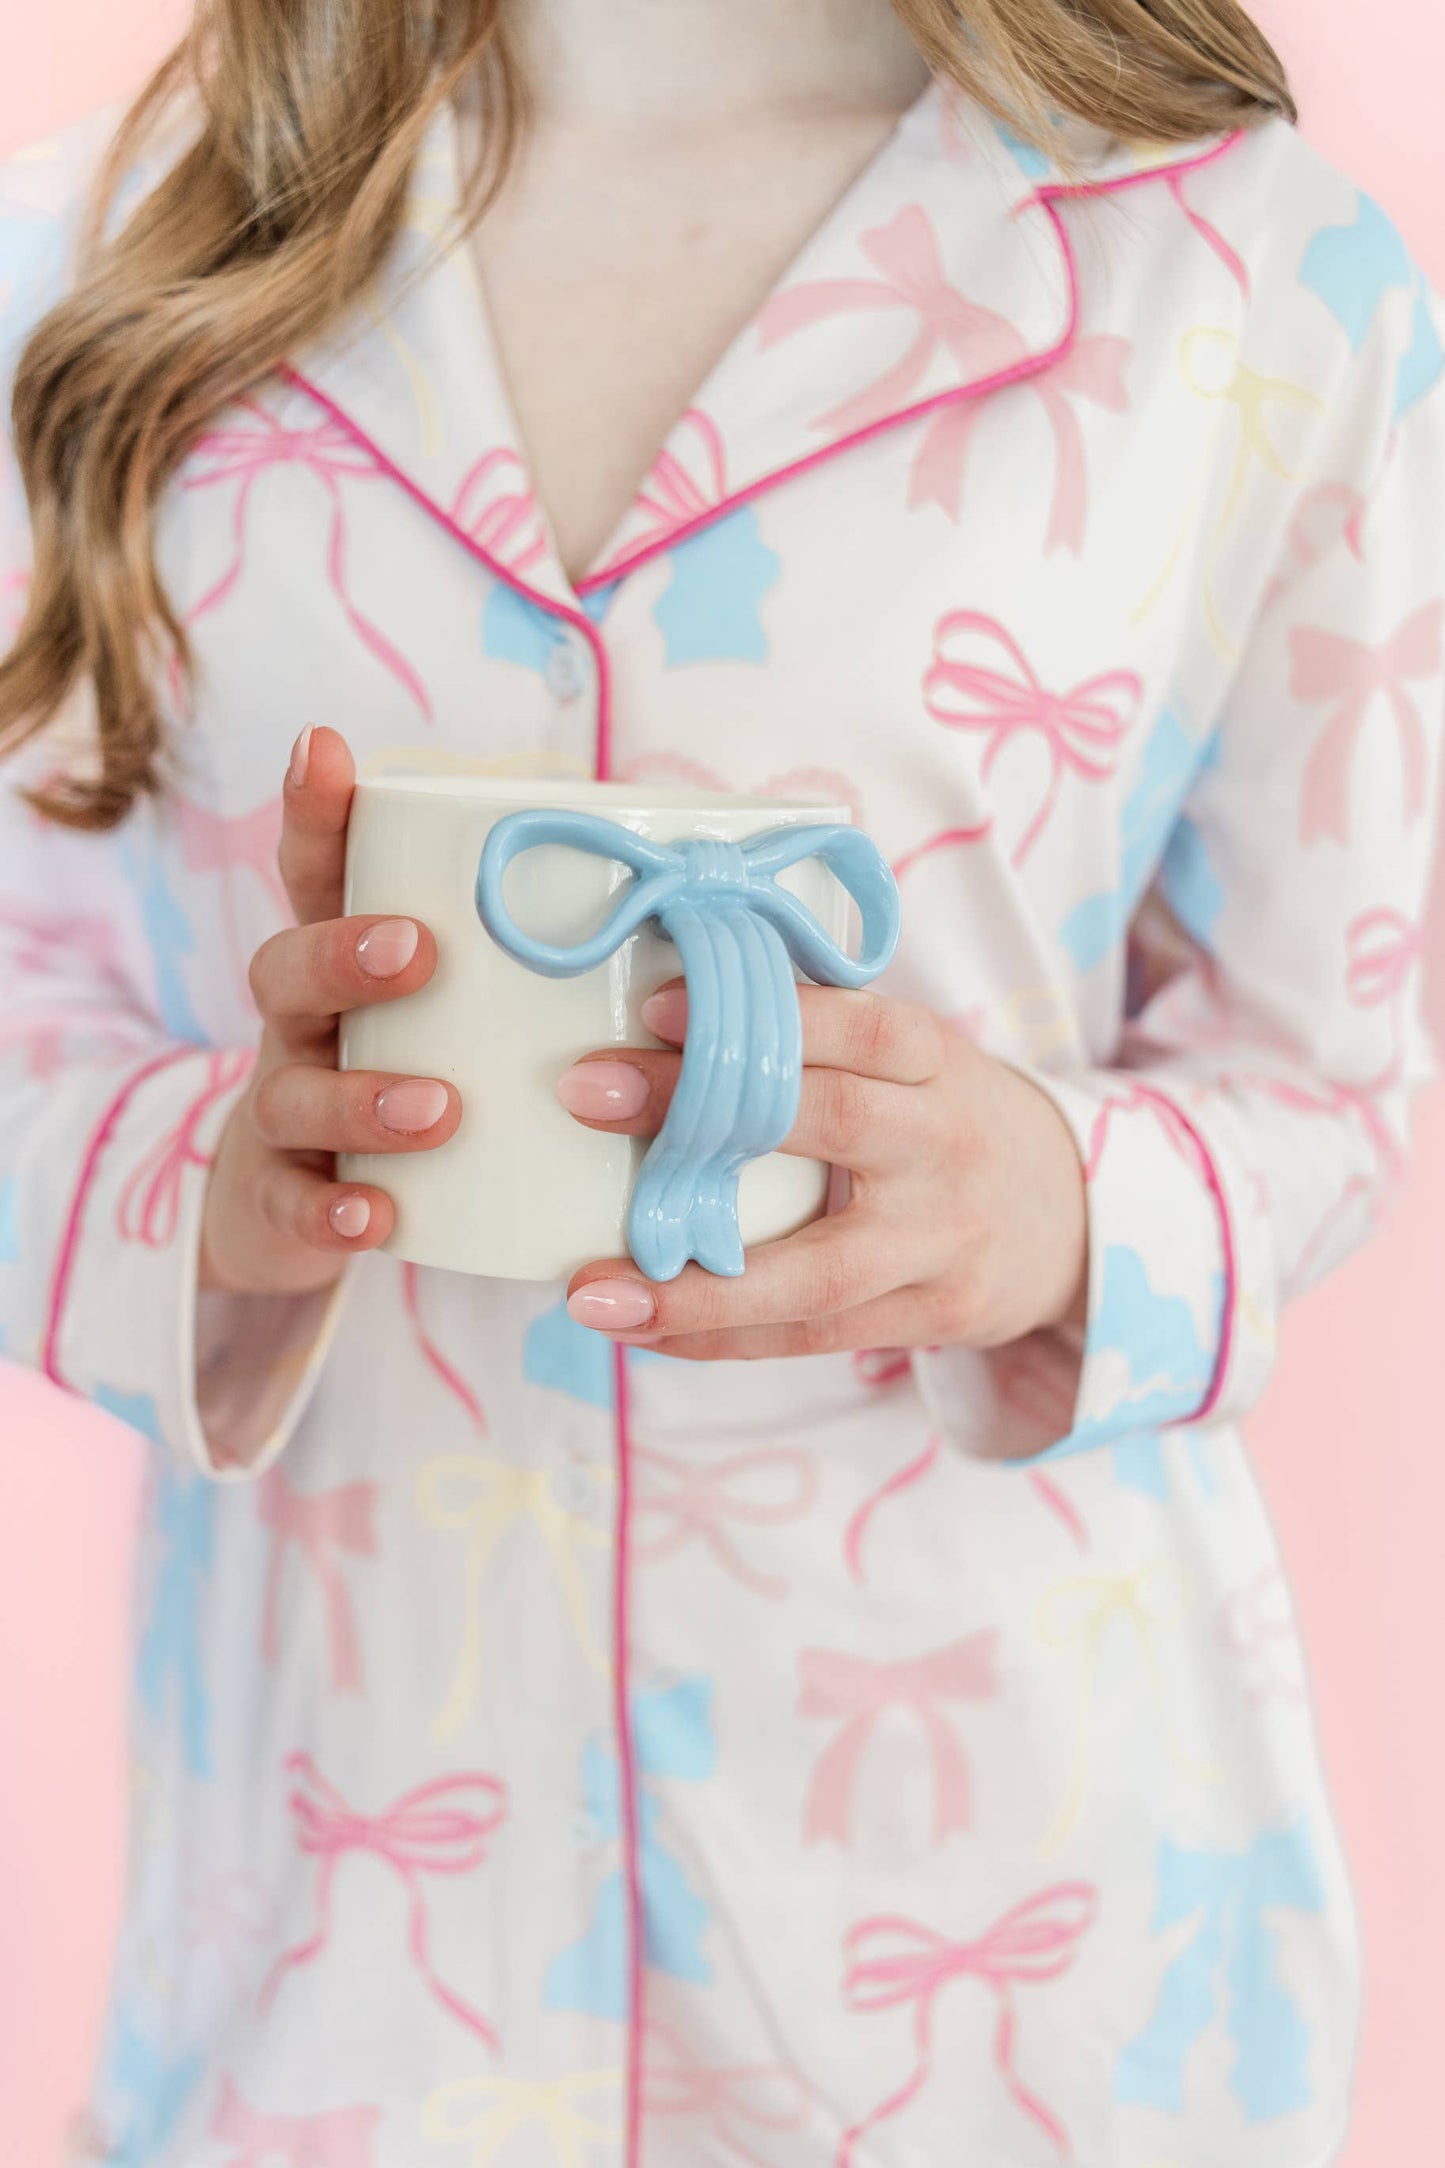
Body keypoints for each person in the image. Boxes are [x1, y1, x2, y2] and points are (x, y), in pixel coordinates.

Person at [1, 0, 1441, 2160]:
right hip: (338, 1947)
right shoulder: (99, 258)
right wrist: (206, 1178)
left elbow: (1320, 1076)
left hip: (1037, 1958)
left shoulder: (1264, 273)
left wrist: (1051, 1205)